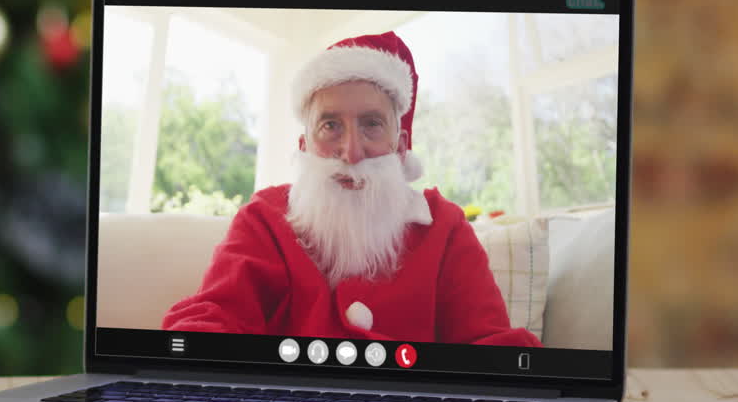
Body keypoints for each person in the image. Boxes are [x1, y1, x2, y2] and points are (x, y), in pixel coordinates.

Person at [162, 31, 541, 347]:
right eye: (330, 126)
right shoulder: (264, 217)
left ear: (401, 145)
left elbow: (490, 345)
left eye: (372, 124)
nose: (351, 152)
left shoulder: (445, 226)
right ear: (304, 145)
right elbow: (214, 316)